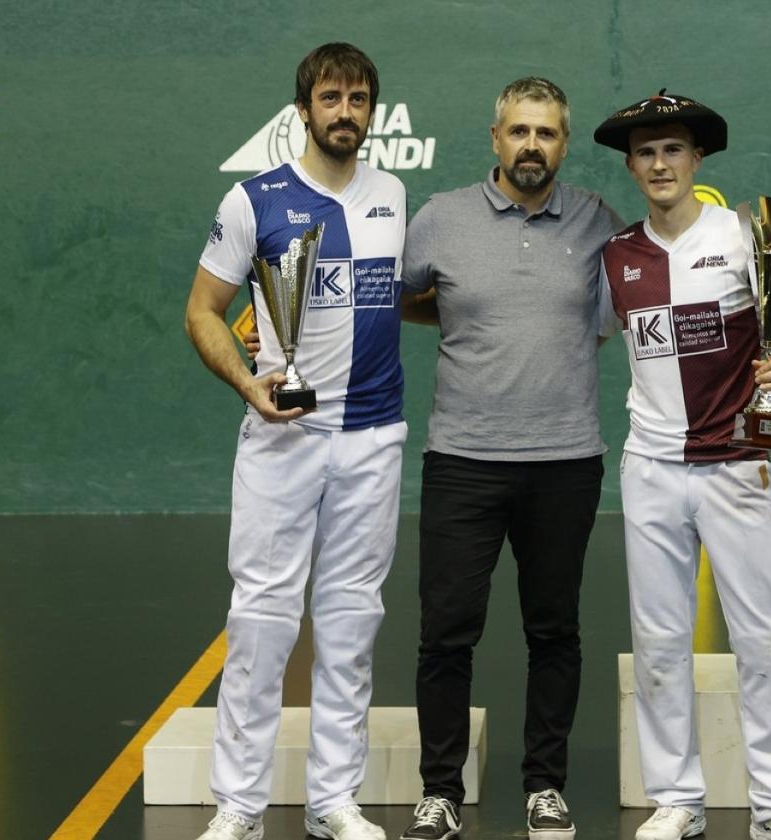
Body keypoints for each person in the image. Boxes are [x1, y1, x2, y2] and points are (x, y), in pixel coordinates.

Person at [184, 42, 408, 840]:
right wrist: (250, 383)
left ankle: (333, 801)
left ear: (370, 112)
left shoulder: (393, 195)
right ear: (303, 110)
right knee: (262, 619)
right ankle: (238, 806)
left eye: (357, 99)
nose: (344, 112)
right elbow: (203, 310)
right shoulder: (255, 202)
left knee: (351, 620)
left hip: (375, 436)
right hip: (283, 438)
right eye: (330, 97)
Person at [592, 92, 771, 840]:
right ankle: (677, 800)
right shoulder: (617, 256)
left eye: (673, 150)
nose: (659, 164)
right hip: (651, 469)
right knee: (659, 640)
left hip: (737, 466)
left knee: (764, 637)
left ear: (697, 161)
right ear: (631, 167)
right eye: (646, 153)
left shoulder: (744, 237)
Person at [396, 77, 622, 840]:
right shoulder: (441, 219)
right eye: (519, 131)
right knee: (446, 632)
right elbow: (401, 295)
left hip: (565, 461)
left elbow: (609, 317)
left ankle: (545, 787)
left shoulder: (597, 221)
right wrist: (466, 318)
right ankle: (439, 792)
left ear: (563, 141)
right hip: (462, 459)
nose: (532, 145)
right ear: (495, 138)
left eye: (548, 133)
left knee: (553, 629)